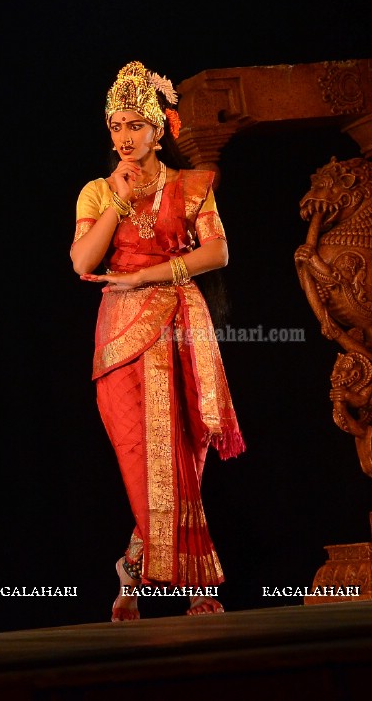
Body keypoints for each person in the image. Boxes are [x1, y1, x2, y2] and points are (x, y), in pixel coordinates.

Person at [70, 61, 245, 621]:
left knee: (184, 457)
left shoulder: (193, 185)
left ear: (158, 128)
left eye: (134, 126)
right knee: (141, 459)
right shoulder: (97, 191)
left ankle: (149, 573)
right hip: (120, 339)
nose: (124, 138)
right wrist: (119, 203)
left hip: (182, 328)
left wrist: (150, 275)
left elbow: (217, 253)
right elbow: (81, 261)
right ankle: (182, 576)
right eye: (116, 126)